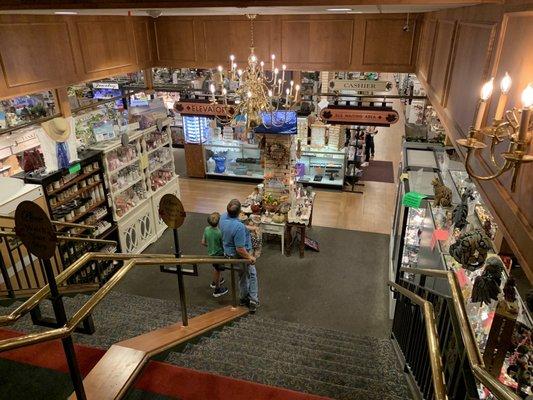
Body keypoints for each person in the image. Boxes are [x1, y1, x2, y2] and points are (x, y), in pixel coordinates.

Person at [219, 199, 259, 313]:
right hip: (240, 255)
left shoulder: (223, 218)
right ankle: (253, 301)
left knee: (242, 276)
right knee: (251, 275)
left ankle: (243, 298)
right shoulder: (239, 227)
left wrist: (249, 228)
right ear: (240, 212)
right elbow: (240, 249)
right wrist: (250, 257)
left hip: (229, 253)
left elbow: (233, 228)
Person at [201, 212, 228, 298]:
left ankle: (215, 281)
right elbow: (222, 245)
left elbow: (203, 242)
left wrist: (211, 246)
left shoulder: (206, 229)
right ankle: (217, 289)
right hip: (219, 254)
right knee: (218, 270)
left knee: (216, 269)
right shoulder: (219, 233)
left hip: (211, 253)